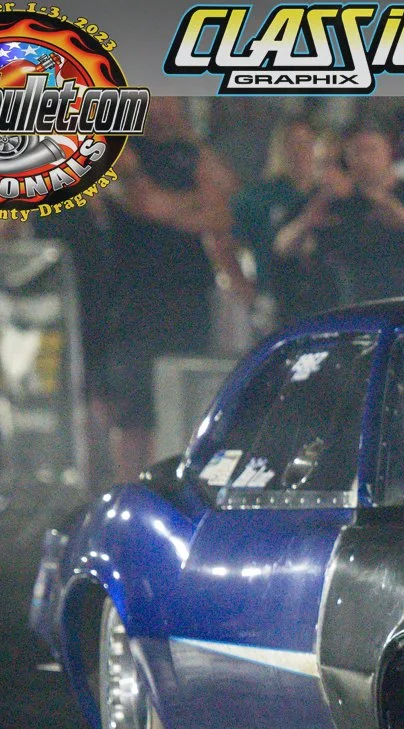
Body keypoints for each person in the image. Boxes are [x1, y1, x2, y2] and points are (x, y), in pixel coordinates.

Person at [104, 96, 247, 484]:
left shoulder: (191, 152)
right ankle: (131, 487)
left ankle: (178, 486)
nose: (162, 108)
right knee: (135, 408)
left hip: (189, 293)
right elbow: (146, 204)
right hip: (136, 296)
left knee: (187, 394)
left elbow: (227, 207)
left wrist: (184, 204)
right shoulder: (123, 152)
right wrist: (195, 208)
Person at [287, 123, 404, 304]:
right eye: (356, 152)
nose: (365, 159)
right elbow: (284, 247)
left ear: (389, 151)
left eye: (372, 150)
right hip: (353, 307)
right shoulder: (338, 202)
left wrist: (397, 211)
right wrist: (314, 211)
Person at [232, 117, 336, 327]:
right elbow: (228, 242)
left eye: (307, 143)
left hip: (324, 300)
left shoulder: (331, 196)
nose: (300, 151)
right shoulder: (257, 197)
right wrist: (244, 289)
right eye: (293, 143)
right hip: (274, 300)